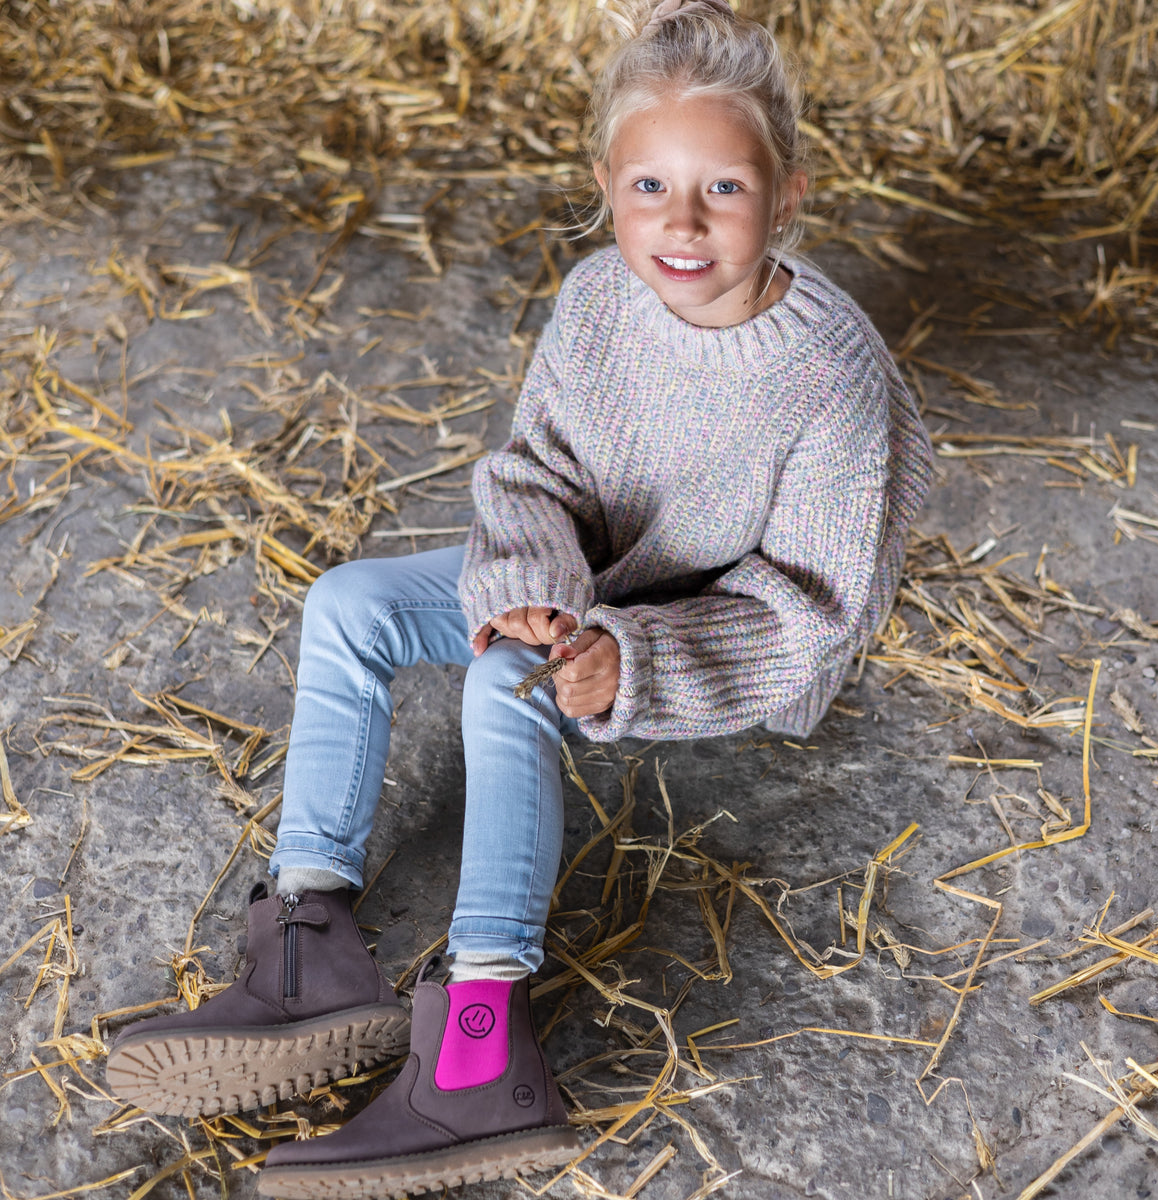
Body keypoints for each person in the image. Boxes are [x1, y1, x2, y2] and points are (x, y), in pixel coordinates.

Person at [106, 0, 933, 1195]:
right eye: (650, 185)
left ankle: (482, 1047)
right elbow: (532, 471)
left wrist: (632, 659)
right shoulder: (599, 299)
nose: (683, 224)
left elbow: (814, 606)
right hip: (576, 586)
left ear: (789, 194)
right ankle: (312, 944)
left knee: (505, 680)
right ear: (606, 182)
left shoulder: (831, 375)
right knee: (348, 601)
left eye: (725, 190)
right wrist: (536, 590)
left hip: (682, 625)